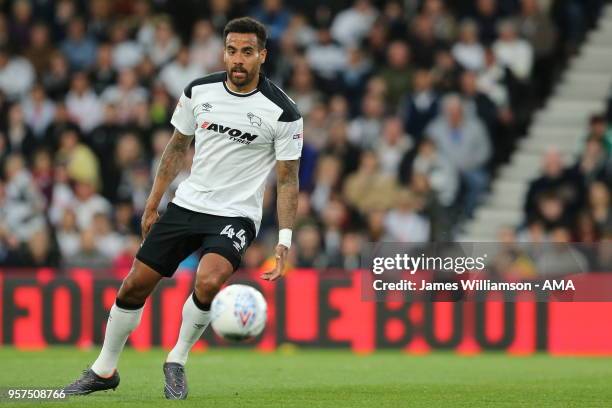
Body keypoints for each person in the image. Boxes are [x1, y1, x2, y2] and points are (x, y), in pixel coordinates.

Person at [63, 17, 302, 400]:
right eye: (231, 50)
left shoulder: (283, 112)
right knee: (133, 285)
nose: (237, 60)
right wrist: (153, 203)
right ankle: (104, 370)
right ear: (223, 52)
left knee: (208, 281)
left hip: (236, 213)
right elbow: (176, 148)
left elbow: (288, 179)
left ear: (262, 56)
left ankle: (176, 359)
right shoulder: (198, 91)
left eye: (246, 52)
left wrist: (284, 239)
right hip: (188, 203)